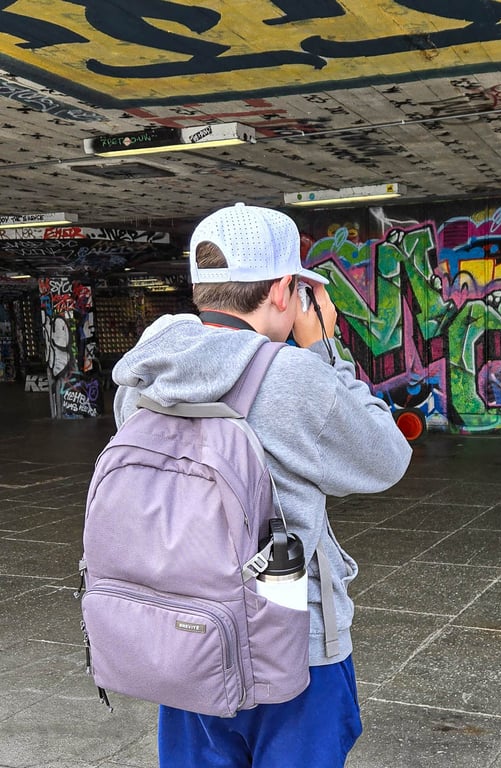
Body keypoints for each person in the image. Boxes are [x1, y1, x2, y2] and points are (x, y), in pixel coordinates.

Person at [111, 202, 413, 768]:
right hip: (292, 642)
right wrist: (325, 347)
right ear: (282, 290)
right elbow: (387, 458)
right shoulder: (291, 376)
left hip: (184, 629)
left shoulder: (145, 369)